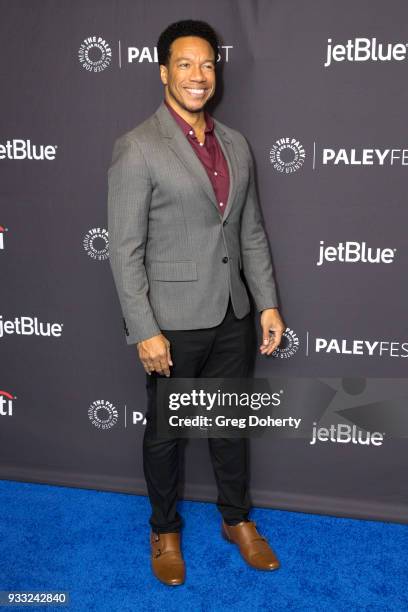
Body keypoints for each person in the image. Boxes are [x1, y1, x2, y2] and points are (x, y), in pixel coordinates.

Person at [107, 19, 286, 586]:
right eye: (185, 64)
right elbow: (124, 250)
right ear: (164, 72)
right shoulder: (137, 148)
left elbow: (251, 231)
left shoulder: (236, 144)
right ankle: (164, 529)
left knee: (230, 427)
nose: (198, 75)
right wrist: (145, 330)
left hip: (234, 313)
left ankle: (237, 520)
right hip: (172, 323)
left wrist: (268, 304)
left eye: (207, 64)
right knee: (166, 434)